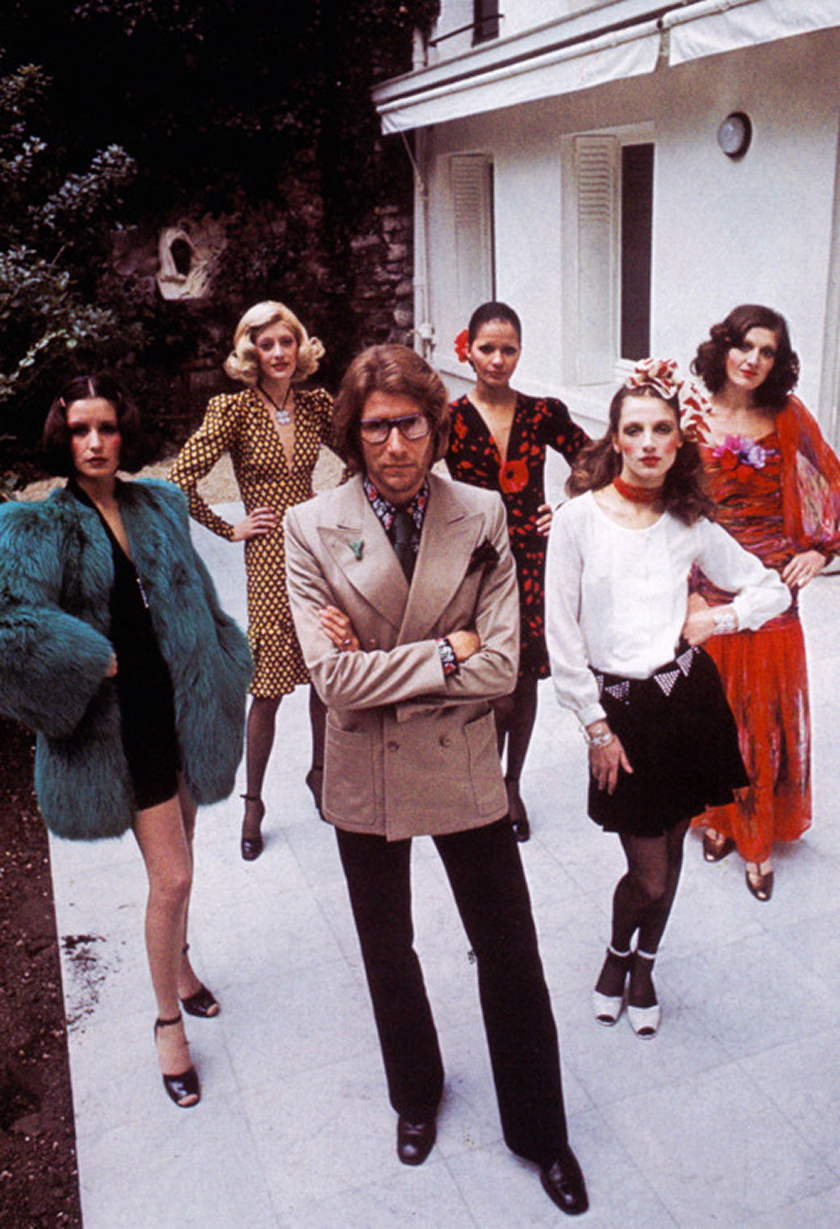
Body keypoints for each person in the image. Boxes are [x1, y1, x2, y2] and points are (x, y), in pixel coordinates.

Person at [285, 345, 588, 1217]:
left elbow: (501, 667)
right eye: (376, 427)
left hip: (460, 759)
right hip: (365, 770)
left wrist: (390, 660)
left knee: (510, 948)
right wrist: (444, 651)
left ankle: (541, 1131)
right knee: (388, 948)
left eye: (410, 424)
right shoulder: (310, 525)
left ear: (436, 426)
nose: (394, 444)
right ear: (353, 433)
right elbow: (332, 681)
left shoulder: (483, 512)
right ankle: (415, 1095)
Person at [0, 374, 251, 1107]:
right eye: (80, 430)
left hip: (181, 710)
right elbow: (11, 624)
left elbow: (201, 598)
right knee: (172, 878)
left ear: (123, 432)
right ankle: (168, 1023)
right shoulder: (40, 527)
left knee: (185, 857)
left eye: (106, 428)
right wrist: (82, 656)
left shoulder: (160, 504)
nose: (95, 443)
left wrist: (226, 664)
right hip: (121, 725)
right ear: (63, 438)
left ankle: (180, 966)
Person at [546, 361, 789, 1038]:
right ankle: (616, 951)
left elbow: (769, 587)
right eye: (634, 430)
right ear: (615, 439)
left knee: (675, 846)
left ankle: (644, 964)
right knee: (647, 872)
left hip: (687, 702)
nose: (648, 442)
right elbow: (561, 635)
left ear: (679, 442)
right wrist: (595, 727)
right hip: (619, 715)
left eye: (661, 430)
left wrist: (720, 618)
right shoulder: (577, 521)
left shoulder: (690, 523)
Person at [169, 301, 334, 860]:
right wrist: (229, 527)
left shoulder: (317, 405)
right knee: (268, 687)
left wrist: (339, 504)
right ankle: (254, 802)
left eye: (287, 341)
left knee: (325, 673)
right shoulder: (233, 410)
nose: (279, 353)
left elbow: (363, 451)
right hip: (266, 557)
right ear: (251, 353)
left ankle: (320, 774)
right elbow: (180, 480)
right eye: (267, 345)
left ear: (299, 345)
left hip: (315, 547)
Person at [688, 305, 840, 901]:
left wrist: (822, 552)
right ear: (723, 346)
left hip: (774, 585)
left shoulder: (788, 415)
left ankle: (756, 836)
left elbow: (830, 481)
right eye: (744, 346)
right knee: (716, 707)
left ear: (778, 362)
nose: (752, 360)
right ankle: (718, 815)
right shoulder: (691, 413)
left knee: (764, 712)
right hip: (709, 582)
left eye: (767, 351)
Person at [446, 302, 589, 840]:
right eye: (487, 348)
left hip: (531, 559)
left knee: (524, 676)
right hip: (474, 561)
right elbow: (413, 475)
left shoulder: (541, 412)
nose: (497, 360)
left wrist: (568, 507)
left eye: (508, 350)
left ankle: (511, 785)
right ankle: (481, 779)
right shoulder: (450, 418)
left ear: (520, 352)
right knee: (486, 677)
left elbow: (595, 459)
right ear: (468, 350)